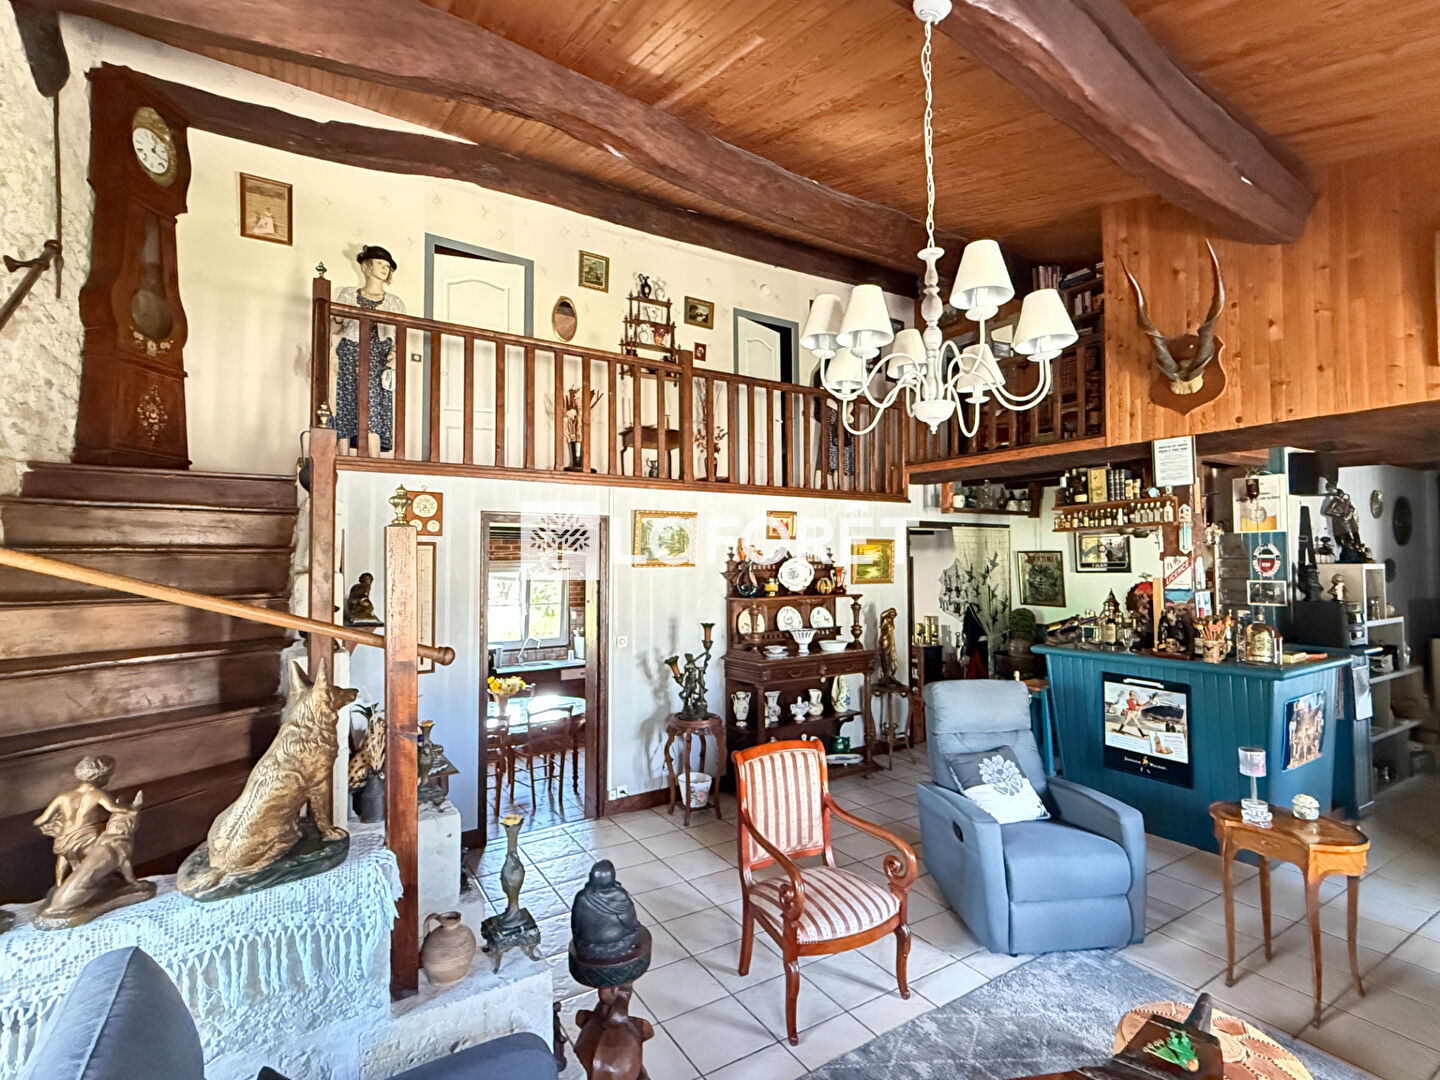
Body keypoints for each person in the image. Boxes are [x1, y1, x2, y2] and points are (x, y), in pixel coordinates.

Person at [333, 245, 405, 453]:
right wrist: (329, 351)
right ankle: (343, 455)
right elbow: (335, 326)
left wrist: (395, 353)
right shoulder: (348, 294)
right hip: (351, 352)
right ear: (366, 266)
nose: (384, 269)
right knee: (347, 401)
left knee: (374, 405)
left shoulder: (394, 302)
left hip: (379, 356)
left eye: (387, 266)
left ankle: (373, 459)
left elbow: (400, 336)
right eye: (380, 264)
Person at [34, 756, 127, 889]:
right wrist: (130, 808)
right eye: (108, 777)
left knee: (63, 858)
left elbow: (41, 820)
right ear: (100, 778)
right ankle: (95, 882)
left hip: (64, 837)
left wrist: (51, 826)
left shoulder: (63, 796)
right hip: (88, 838)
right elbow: (114, 809)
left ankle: (59, 885)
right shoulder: (98, 794)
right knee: (100, 857)